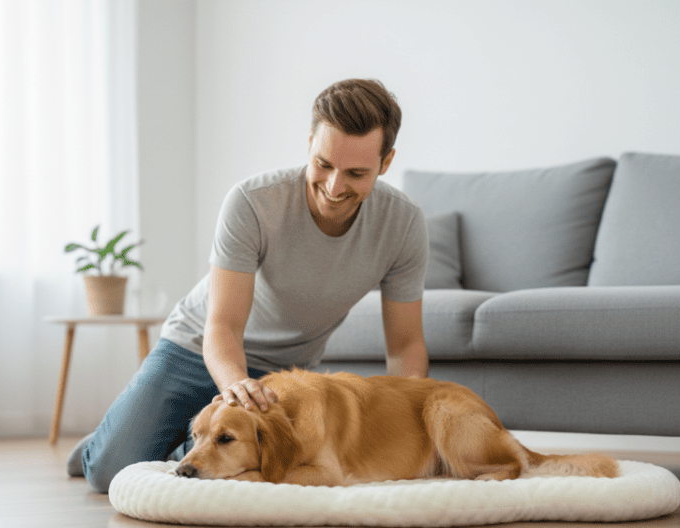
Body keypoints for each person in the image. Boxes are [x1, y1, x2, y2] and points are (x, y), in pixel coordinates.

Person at [69, 78, 429, 493]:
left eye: (356, 173)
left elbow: (404, 346)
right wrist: (234, 387)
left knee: (266, 466)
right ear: (310, 142)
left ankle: (171, 438)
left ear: (386, 163)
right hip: (197, 348)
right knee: (108, 470)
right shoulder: (254, 202)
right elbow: (222, 325)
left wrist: (410, 420)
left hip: (285, 375)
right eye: (324, 165)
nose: (334, 187)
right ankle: (115, 438)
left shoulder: (402, 224)